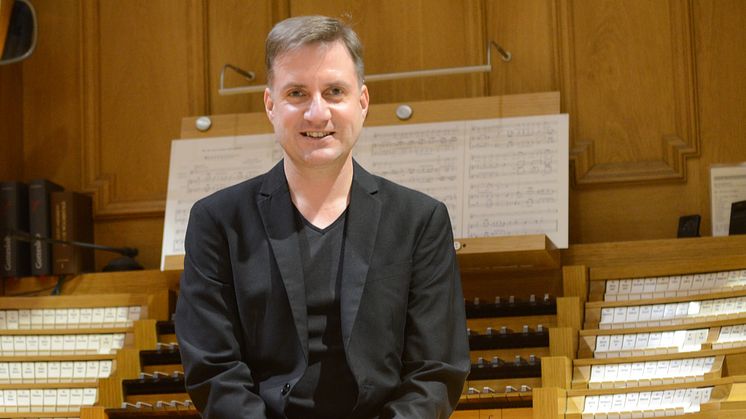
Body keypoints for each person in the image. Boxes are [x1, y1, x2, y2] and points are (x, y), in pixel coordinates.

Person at [174, 15, 470, 419]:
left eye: (334, 91)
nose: (317, 113)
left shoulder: (421, 221)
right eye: (297, 92)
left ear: (362, 103)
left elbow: (436, 371)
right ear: (270, 105)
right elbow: (213, 369)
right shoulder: (217, 222)